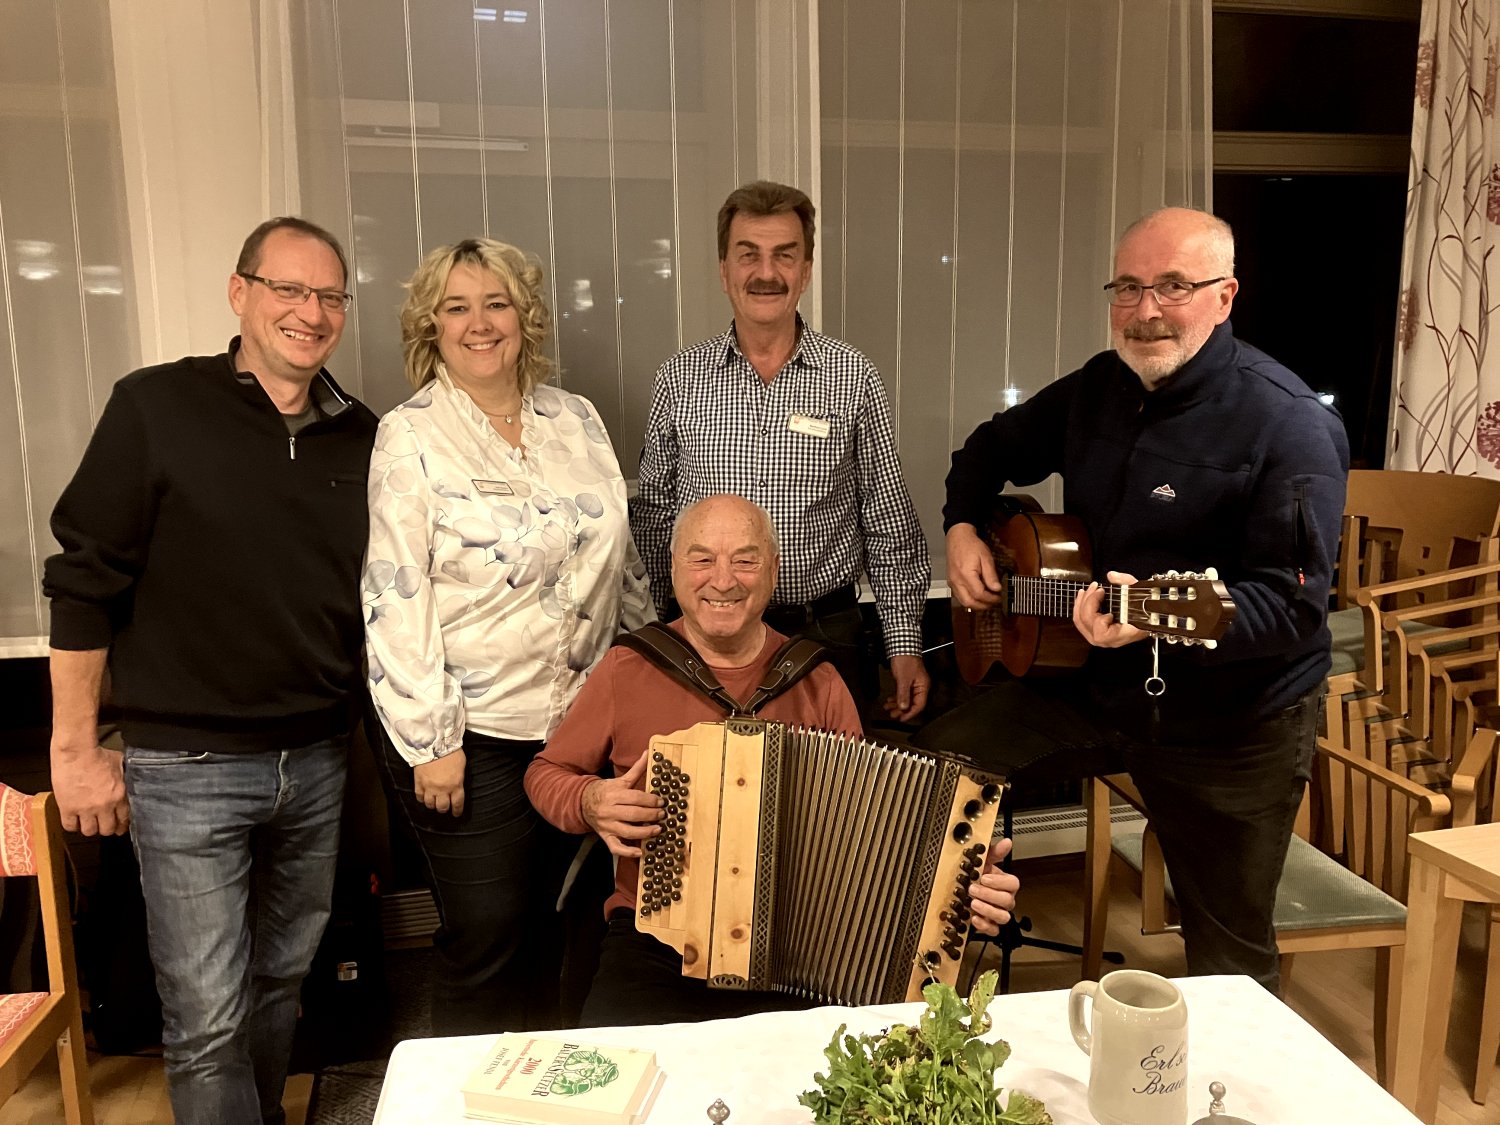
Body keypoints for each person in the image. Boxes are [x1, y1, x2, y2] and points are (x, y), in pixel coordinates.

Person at [943, 207, 1349, 994]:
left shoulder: (1288, 425)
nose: (1146, 310)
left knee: (1229, 961)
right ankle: (948, 980)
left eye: (1173, 286)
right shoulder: (1099, 387)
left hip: (1234, 725)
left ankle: (1227, 1108)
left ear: (1225, 295)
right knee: (938, 768)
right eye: (1128, 287)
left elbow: (1293, 607)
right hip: (1095, 687)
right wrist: (963, 524)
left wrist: (1146, 620)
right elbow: (985, 451)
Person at [44, 217, 376, 1124]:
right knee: (205, 1019)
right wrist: (74, 750)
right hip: (184, 771)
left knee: (279, 989)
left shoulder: (363, 435)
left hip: (314, 761)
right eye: (288, 290)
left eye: (329, 296)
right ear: (240, 293)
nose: (310, 312)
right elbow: (80, 582)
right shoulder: (155, 407)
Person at [526, 493, 1018, 1025]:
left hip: (806, 950)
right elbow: (545, 773)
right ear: (673, 569)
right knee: (615, 1084)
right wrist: (590, 799)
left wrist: (955, 885)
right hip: (654, 946)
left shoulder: (817, 679)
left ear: (772, 571)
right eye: (702, 558)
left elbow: (870, 832)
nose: (723, 579)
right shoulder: (628, 668)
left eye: (745, 559)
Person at [363, 237, 652, 1035]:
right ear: (432, 324)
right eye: (456, 306)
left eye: (496, 303)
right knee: (487, 933)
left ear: (525, 317)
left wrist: (656, 676)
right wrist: (431, 740)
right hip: (472, 737)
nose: (479, 322)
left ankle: (546, 1092)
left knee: (566, 924)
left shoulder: (577, 419)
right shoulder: (412, 434)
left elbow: (618, 560)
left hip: (578, 729)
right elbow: (395, 591)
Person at [631, 181, 932, 724]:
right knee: (712, 798)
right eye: (749, 255)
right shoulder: (679, 378)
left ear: (806, 269)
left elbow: (887, 517)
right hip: (708, 638)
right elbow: (654, 514)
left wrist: (904, 644)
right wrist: (663, 626)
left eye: (784, 256)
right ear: (724, 271)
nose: (766, 273)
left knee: (831, 801)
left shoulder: (852, 376)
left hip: (824, 636)